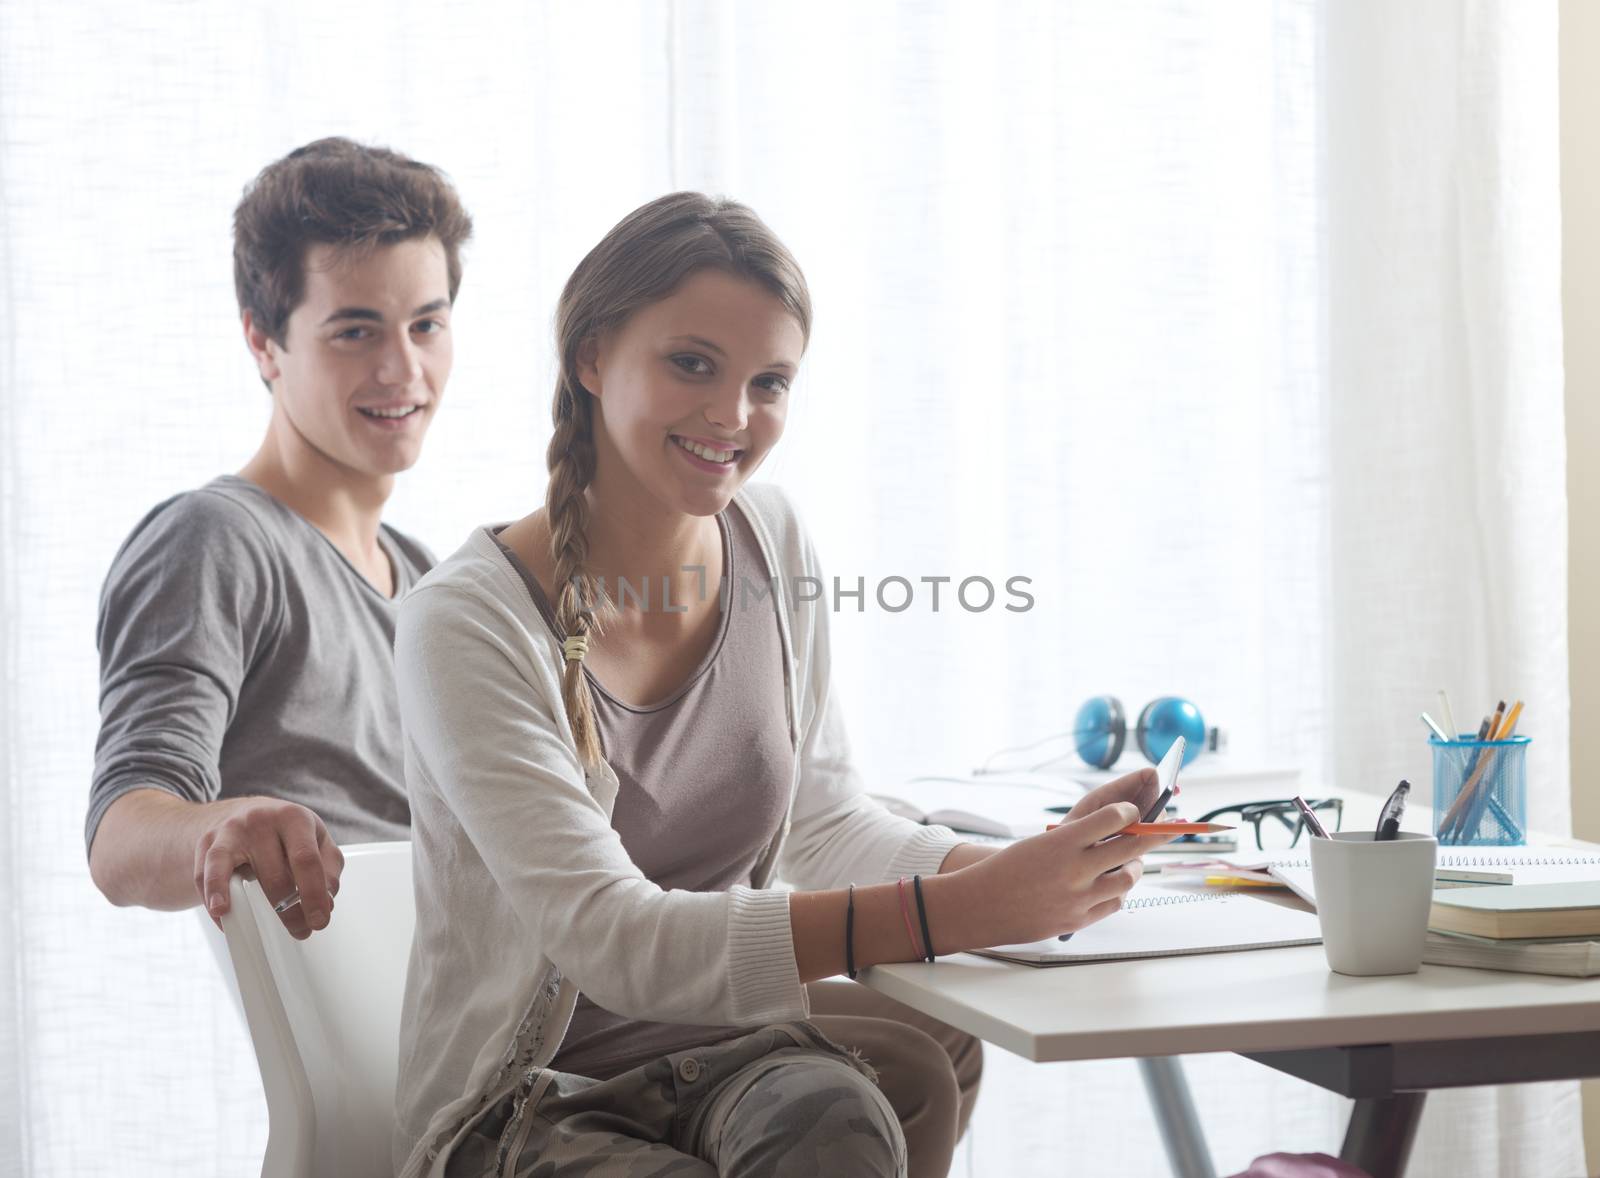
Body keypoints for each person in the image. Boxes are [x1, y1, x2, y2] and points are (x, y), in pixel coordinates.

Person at [392, 192, 1172, 1178]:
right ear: (590, 356)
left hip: (730, 1050)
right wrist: (969, 908)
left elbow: (825, 823)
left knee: (841, 1120)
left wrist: (1030, 868)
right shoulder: (464, 621)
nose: (732, 415)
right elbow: (612, 937)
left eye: (770, 381)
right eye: (691, 364)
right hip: (528, 1105)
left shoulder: (771, 541)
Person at [86, 137, 472, 941]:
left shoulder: (429, 575)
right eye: (356, 332)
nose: (405, 370)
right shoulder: (217, 540)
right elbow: (122, 839)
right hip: (400, 1045)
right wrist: (229, 825)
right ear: (263, 341)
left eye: (426, 325)